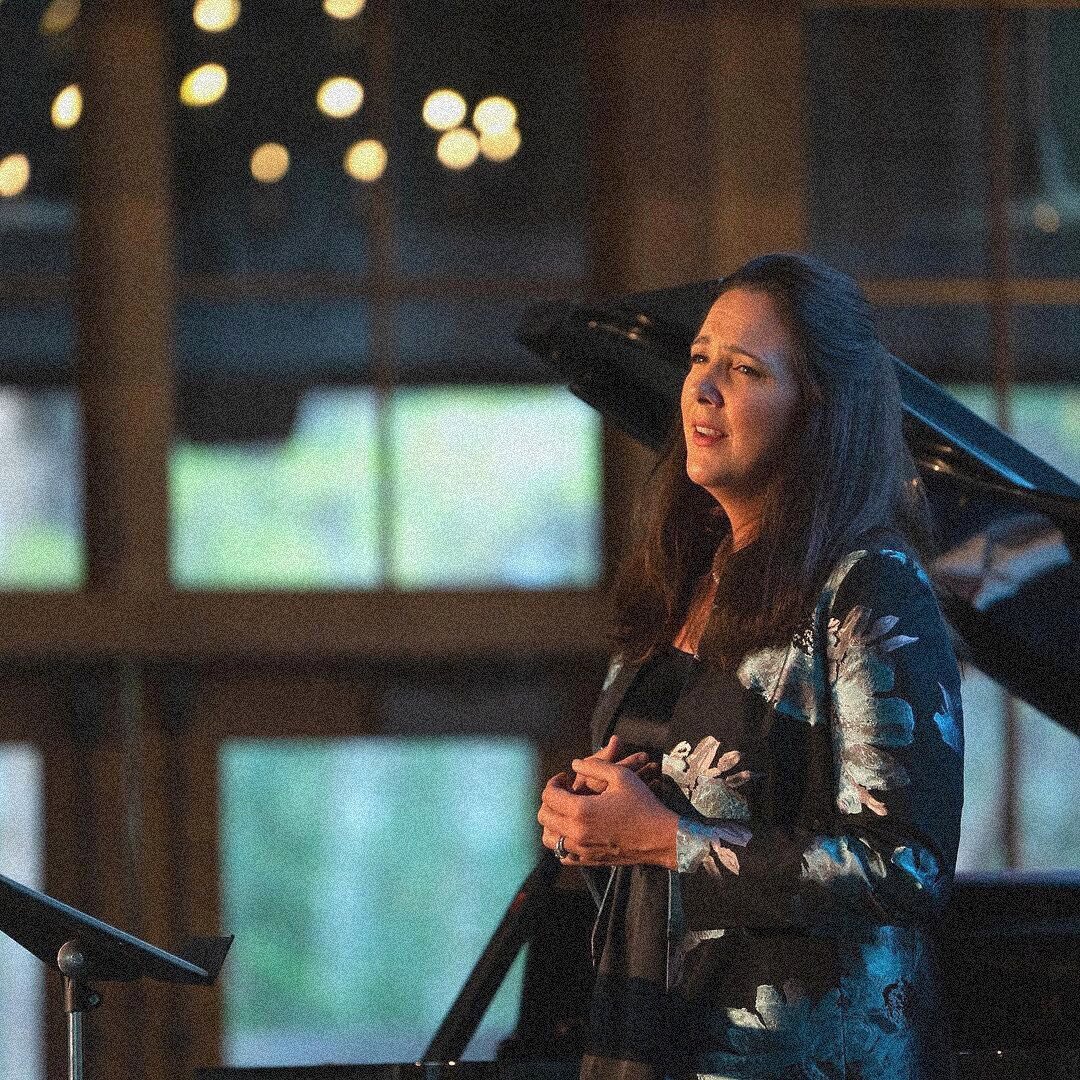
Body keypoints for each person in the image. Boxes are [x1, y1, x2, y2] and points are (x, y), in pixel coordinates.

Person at [537, 253, 964, 1080]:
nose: (702, 387)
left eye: (743, 369)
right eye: (699, 359)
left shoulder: (868, 584)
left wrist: (668, 840)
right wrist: (587, 823)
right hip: (653, 1030)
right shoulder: (681, 581)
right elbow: (656, 813)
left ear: (817, 411)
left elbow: (905, 865)